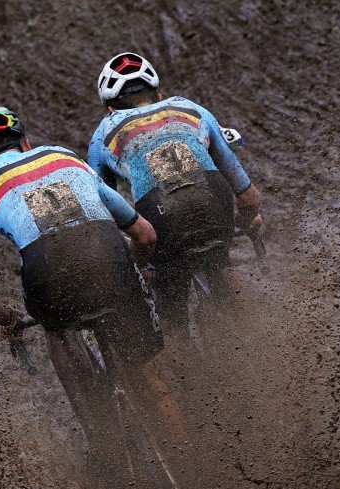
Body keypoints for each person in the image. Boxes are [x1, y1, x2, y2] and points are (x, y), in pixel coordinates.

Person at [0, 106, 162, 365]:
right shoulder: (63, 155)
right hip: (106, 256)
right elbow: (146, 235)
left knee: (56, 329)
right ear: (26, 144)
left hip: (46, 273)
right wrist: (137, 267)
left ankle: (88, 401)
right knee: (151, 373)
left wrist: (9, 320)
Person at [88, 52, 263, 325]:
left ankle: (182, 351)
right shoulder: (190, 107)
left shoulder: (102, 132)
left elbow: (105, 214)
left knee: (171, 303)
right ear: (159, 95)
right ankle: (265, 332)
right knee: (220, 265)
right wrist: (246, 218)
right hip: (214, 200)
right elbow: (247, 194)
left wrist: (136, 260)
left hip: (160, 215)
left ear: (111, 108)